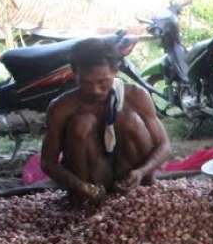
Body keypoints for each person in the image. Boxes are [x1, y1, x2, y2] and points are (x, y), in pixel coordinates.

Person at [41, 37, 171, 204]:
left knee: (129, 120)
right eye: (86, 83)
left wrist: (141, 172)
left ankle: (143, 192)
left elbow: (164, 145)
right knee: (82, 123)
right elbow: (47, 162)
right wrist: (78, 185)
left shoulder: (137, 96)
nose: (95, 90)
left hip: (131, 176)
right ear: (75, 74)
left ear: (116, 71)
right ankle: (84, 200)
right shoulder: (61, 107)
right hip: (89, 181)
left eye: (103, 82)